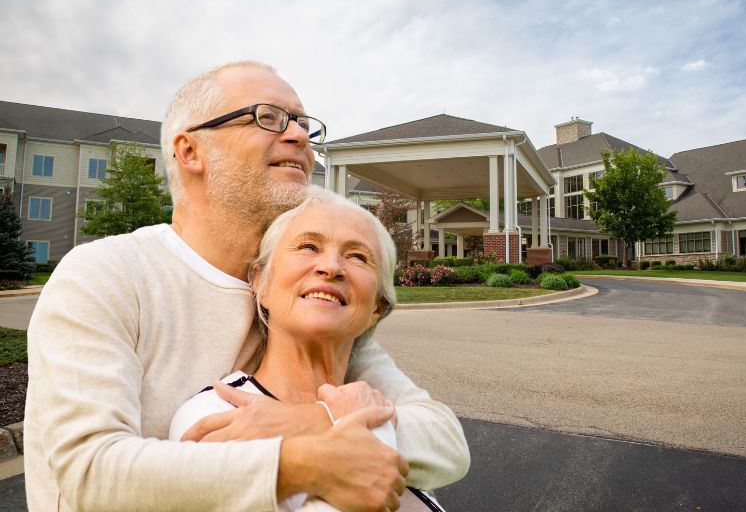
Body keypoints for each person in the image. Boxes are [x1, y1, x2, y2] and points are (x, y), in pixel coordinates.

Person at [24, 61, 469, 511]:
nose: (298, 136)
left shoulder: (296, 299)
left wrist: (316, 421)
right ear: (190, 151)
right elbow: (88, 471)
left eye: (301, 123)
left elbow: (444, 440)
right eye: (268, 117)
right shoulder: (108, 274)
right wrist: (299, 463)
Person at [170, 186, 450, 511]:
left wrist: (337, 419)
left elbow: (451, 448)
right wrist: (370, 433)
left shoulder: (379, 405)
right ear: (261, 283)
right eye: (308, 246)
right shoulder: (218, 414)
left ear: (377, 306)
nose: (331, 267)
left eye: (358, 256)